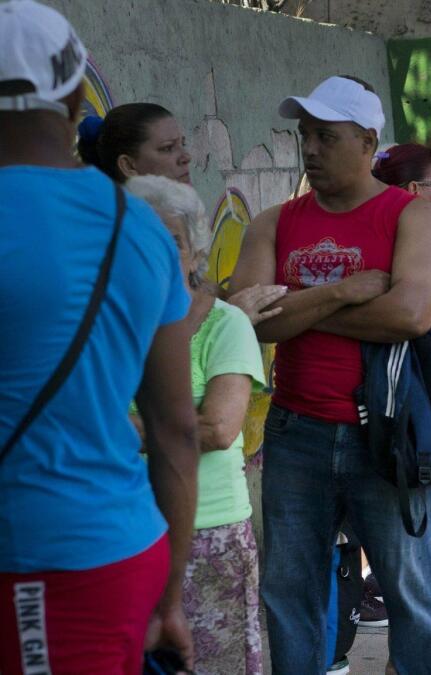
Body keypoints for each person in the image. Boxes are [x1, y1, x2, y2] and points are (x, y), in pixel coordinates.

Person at [229, 75, 431, 672]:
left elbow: (409, 314)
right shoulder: (273, 222)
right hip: (295, 431)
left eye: (326, 137)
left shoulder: (414, 217)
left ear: (367, 142)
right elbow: (248, 320)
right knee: (289, 595)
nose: (310, 148)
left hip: (387, 434)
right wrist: (345, 292)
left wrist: (300, 307)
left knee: (414, 598)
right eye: (304, 135)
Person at [0, 3, 197, 671]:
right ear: (74, 95)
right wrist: (172, 595)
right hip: (99, 548)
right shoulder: (140, 228)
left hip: (33, 558)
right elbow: (176, 429)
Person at [127, 175, 266, 675]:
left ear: (195, 251)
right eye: (141, 241)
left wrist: (119, 433)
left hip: (210, 533)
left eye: (173, 242)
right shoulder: (108, 323)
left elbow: (218, 429)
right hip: (126, 532)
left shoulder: (223, 323)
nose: (158, 255)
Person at [76, 103, 288, 324]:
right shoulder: (110, 243)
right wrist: (229, 318)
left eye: (182, 144)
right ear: (128, 165)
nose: (185, 157)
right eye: (167, 148)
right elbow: (144, 335)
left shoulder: (164, 224)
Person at [373, 143, 431, 354]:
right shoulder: (425, 237)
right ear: (415, 189)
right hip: (420, 368)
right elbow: (412, 318)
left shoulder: (374, 233)